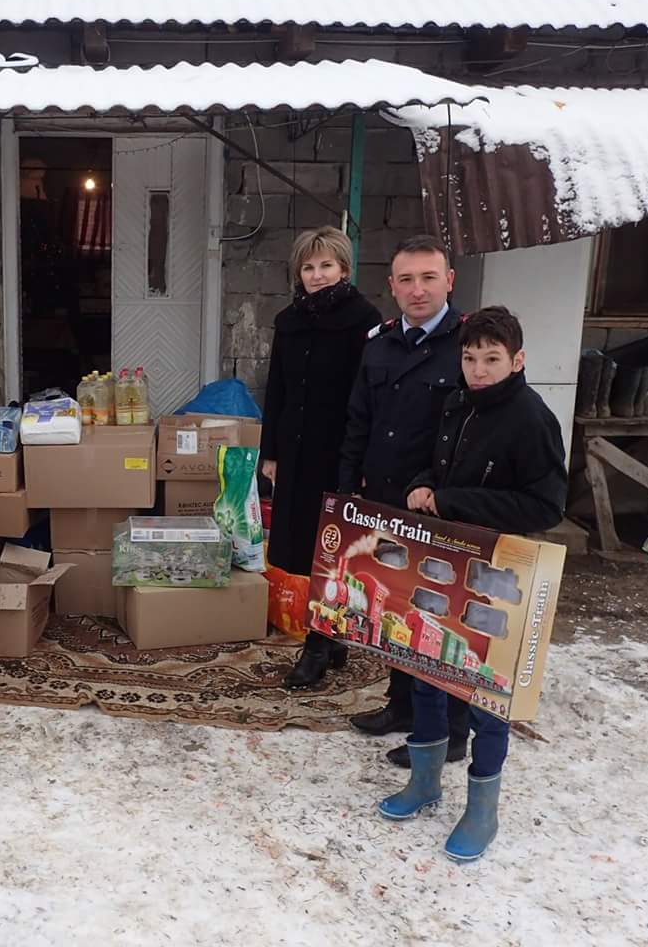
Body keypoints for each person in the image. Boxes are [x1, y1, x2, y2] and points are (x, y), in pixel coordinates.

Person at [379, 305, 567, 861]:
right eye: (469, 358)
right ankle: (425, 780)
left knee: (487, 695)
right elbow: (432, 467)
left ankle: (482, 809)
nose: (478, 369)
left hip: (499, 575)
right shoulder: (456, 402)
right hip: (442, 563)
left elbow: (545, 503)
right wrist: (420, 485)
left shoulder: (532, 418)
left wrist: (449, 500)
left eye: (491, 359)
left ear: (518, 360)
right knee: (430, 672)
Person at [333, 234, 471, 768]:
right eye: (407, 280)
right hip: (384, 499)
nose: (418, 290)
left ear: (449, 281)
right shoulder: (380, 344)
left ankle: (452, 729)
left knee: (440, 614)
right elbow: (357, 423)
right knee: (396, 606)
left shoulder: (468, 346)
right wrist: (348, 487)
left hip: (438, 505)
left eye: (428, 277)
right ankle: (401, 705)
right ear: (391, 287)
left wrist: (443, 489)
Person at [261, 227, 381, 688]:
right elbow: (277, 389)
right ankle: (331, 640)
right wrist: (269, 452)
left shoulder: (363, 321)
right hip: (295, 450)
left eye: (326, 265)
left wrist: (361, 462)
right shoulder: (288, 321)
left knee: (332, 549)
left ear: (344, 269)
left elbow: (365, 395)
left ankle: (317, 644)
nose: (317, 275)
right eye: (308, 267)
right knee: (302, 548)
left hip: (338, 454)